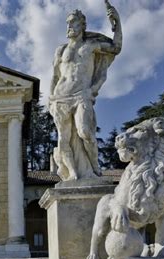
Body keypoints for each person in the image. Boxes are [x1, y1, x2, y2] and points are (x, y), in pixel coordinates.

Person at [49, 4, 122, 180]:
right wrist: (51, 98)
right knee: (63, 139)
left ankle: (95, 166)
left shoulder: (92, 45)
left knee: (85, 132)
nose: (69, 27)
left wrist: (117, 22)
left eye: (73, 23)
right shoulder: (61, 50)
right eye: (68, 23)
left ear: (82, 26)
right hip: (60, 97)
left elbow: (116, 47)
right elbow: (55, 76)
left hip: (82, 95)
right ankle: (72, 173)